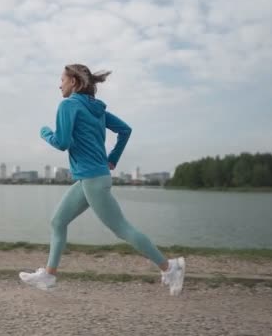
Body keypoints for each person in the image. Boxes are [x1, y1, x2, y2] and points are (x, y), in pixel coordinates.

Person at [19, 64, 185, 296]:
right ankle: (49, 275)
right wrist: (113, 159)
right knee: (58, 221)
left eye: (62, 80)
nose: (59, 84)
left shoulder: (68, 105)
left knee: (122, 229)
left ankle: (171, 267)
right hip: (92, 178)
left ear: (74, 83)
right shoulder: (96, 109)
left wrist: (44, 132)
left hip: (93, 180)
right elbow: (125, 130)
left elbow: (62, 142)